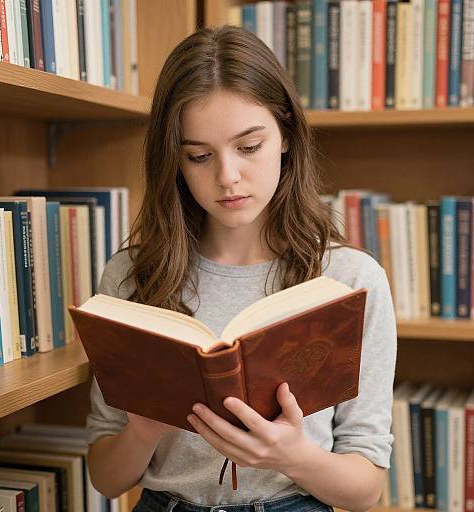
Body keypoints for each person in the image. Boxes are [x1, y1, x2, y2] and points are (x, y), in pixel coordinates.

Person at [85, 25, 397, 512]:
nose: (227, 176)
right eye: (199, 156)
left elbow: (366, 490)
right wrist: (142, 431)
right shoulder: (130, 276)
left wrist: (294, 457)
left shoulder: (350, 281)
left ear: (287, 135)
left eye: (249, 147)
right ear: (175, 160)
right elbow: (105, 477)